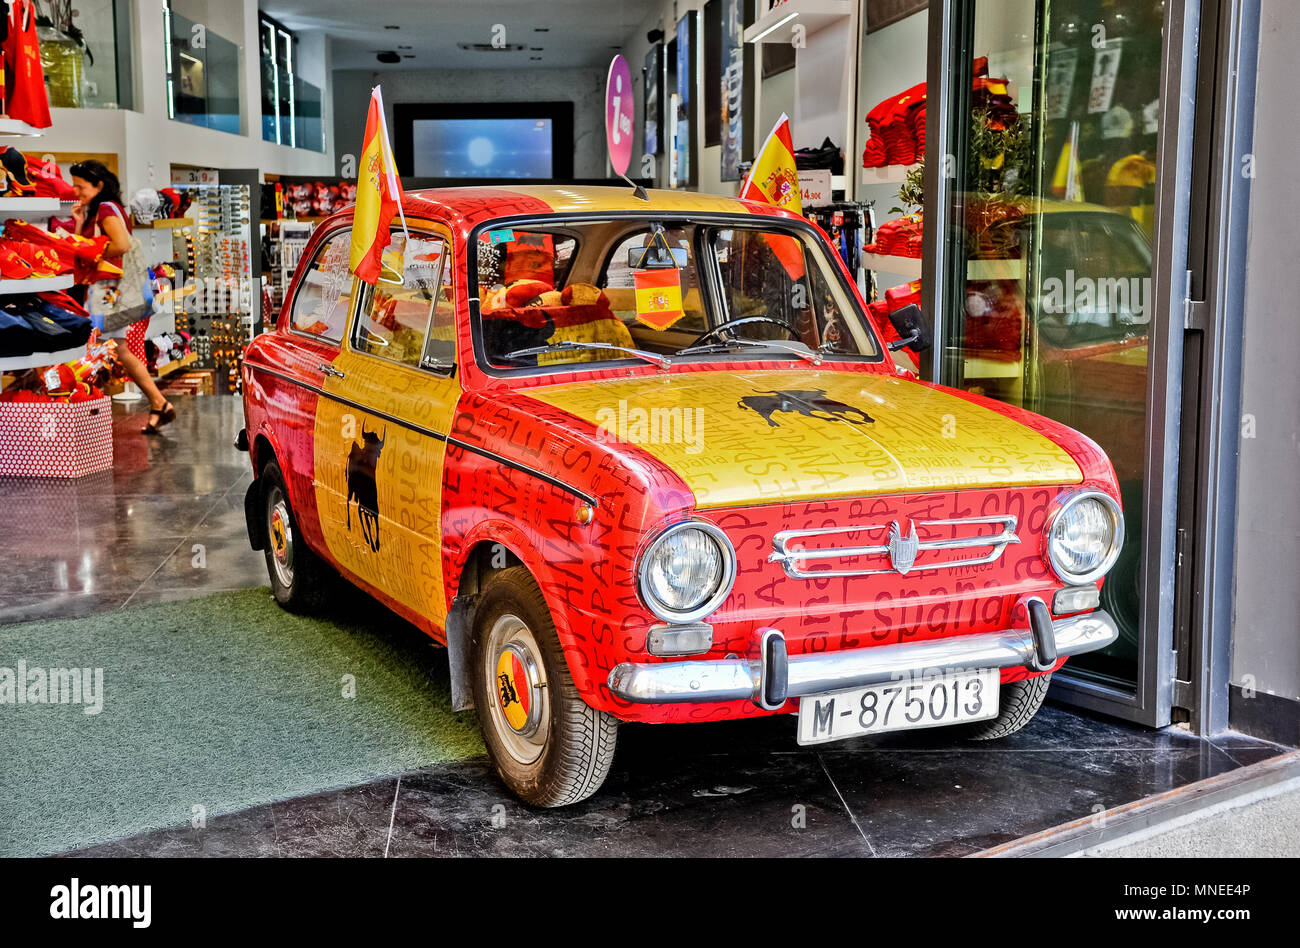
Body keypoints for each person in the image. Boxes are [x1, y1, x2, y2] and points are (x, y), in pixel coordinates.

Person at [68, 160, 176, 435]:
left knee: (93, 347)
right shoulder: (107, 208)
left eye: (81, 186)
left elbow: (121, 245)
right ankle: (158, 403)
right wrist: (80, 222)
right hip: (110, 290)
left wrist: (93, 250)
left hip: (108, 291)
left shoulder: (105, 209)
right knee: (115, 348)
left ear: (98, 185)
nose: (76, 191)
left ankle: (84, 413)